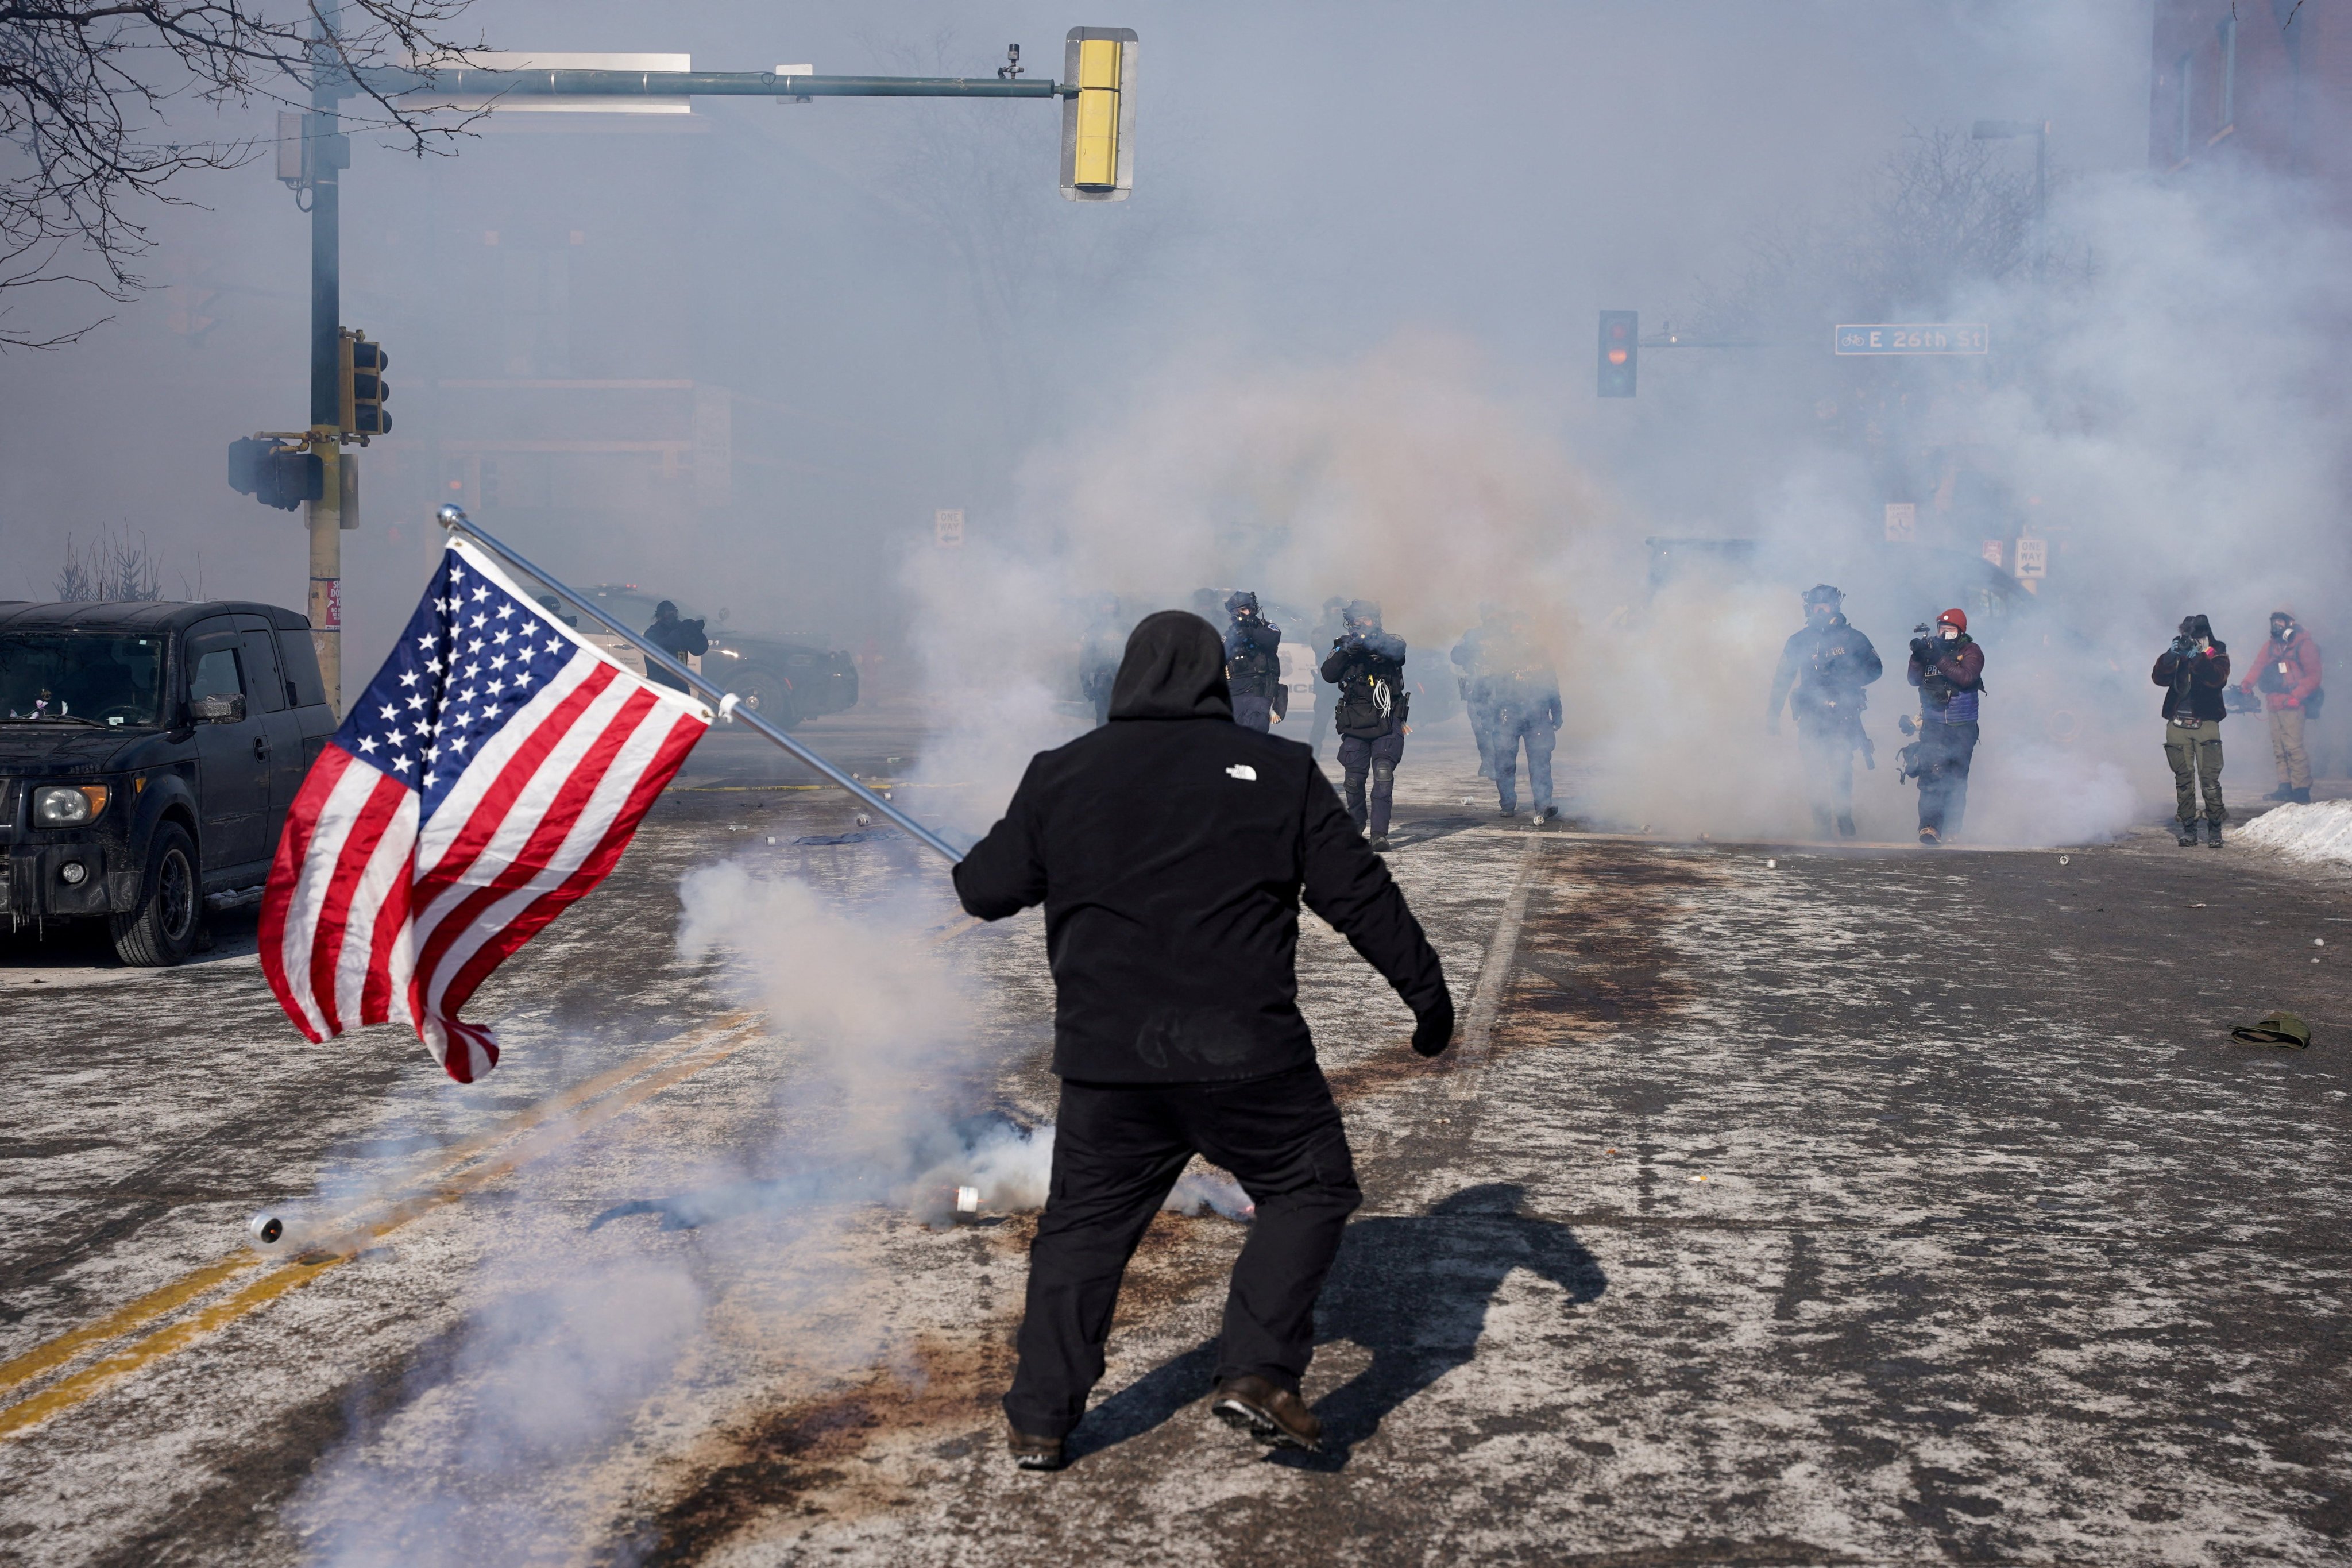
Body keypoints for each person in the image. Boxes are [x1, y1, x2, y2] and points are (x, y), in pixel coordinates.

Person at [952, 611, 1454, 1472]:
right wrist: (1425, 993)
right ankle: (1257, 1369)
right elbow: (1359, 895)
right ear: (1217, 680)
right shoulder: (1280, 770)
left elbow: (981, 889)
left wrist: (1027, 852)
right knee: (1309, 1185)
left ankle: (1040, 1418)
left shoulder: (1062, 773)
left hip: (1110, 1062)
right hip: (1244, 1055)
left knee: (1081, 1233)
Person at [1766, 585, 1884, 839]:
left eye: (1826, 606)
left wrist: (1849, 678)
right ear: (1809, 608)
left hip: (1843, 714)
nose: (1821, 611)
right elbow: (1782, 678)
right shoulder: (1799, 641)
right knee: (1814, 769)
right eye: (1816, 607)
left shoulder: (1854, 638)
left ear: (1836, 607)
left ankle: (1844, 816)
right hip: (1811, 716)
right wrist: (1772, 713)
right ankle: (1821, 824)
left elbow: (1876, 668)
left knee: (1842, 765)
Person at [1320, 600, 1411, 852]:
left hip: (1386, 716)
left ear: (1376, 620)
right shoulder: (1344, 645)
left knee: (1383, 773)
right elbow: (1328, 674)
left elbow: (1398, 652)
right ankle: (1356, 825)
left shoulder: (1391, 641)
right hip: (1355, 719)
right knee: (1353, 779)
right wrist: (1349, 649)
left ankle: (1379, 834)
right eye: (1356, 619)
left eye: (1366, 619)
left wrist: (1372, 642)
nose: (1361, 623)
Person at [1905, 608, 1983, 845]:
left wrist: (1937, 657)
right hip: (1934, 725)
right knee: (1930, 776)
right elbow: (1913, 680)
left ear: (1960, 631)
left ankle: (1952, 828)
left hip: (1962, 727)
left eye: (1950, 630)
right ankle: (1929, 827)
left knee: (1956, 779)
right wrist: (1918, 657)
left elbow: (1966, 678)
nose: (1945, 633)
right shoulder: (1930, 651)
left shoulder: (1971, 651)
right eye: (1942, 629)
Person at [2152, 614, 2231, 847]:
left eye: (2198, 637)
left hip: (2206, 723)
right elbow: (2159, 679)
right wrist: (2169, 657)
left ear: (2207, 636)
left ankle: (2215, 831)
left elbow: (2217, 679)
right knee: (2184, 780)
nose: (2194, 642)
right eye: (2191, 637)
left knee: (2209, 780)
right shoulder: (2180, 652)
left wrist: (2197, 658)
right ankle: (2189, 829)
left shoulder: (2217, 653)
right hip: (2177, 724)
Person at [2239, 608, 2322, 805]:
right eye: (2274, 622)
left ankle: (2301, 788)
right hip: (2275, 703)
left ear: (2290, 623)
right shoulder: (2271, 646)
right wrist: (2246, 685)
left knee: (2294, 746)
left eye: (2280, 622)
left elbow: (2314, 676)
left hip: (2293, 703)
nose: (2276, 626)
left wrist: (2297, 696)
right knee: (2279, 747)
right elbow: (2258, 667)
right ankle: (2285, 786)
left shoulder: (2303, 644)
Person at [1485, 612, 1562, 821]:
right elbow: (1487, 686)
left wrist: (1557, 711)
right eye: (1516, 626)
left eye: (1523, 625)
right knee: (1505, 762)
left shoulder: (1540, 652)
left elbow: (1551, 684)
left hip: (1537, 716)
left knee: (1541, 762)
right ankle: (1508, 804)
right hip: (1507, 716)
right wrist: (1488, 716)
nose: (1520, 630)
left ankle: (1544, 804)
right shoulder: (1499, 653)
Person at [1451, 604, 1506, 781]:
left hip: (1502, 688)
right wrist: (1472, 654)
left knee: (1502, 726)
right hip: (1477, 687)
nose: (1492, 619)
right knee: (1480, 727)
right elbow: (1455, 655)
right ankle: (1488, 762)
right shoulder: (1472, 635)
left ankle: (1501, 763)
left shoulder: (1508, 636)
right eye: (1489, 615)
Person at [1222, 590, 1287, 733]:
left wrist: (1249, 632)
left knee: (1256, 729)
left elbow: (1272, 640)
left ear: (1253, 609)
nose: (1241, 614)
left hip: (1260, 690)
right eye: (1236, 612)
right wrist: (1234, 638)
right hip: (1237, 692)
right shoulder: (1230, 634)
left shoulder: (1267, 628)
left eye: (1244, 609)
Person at [1305, 597, 1349, 758]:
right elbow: (1322, 648)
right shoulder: (1321, 632)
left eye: (1339, 609)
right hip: (1327, 682)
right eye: (1334, 609)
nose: (1337, 612)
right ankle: (1314, 753)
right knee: (1320, 722)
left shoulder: (1350, 631)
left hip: (1346, 682)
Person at [1077, 594, 1125, 728]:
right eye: (1106, 604)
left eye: (1112, 604)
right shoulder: (1093, 631)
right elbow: (1085, 660)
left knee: (1124, 719)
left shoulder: (1126, 629)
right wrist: (1087, 686)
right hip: (1102, 681)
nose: (1109, 608)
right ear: (1100, 608)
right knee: (1104, 720)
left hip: (1124, 680)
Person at [643, 600, 707, 693]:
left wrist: (695, 632)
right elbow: (661, 646)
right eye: (668, 612)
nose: (672, 615)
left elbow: (698, 650)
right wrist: (678, 634)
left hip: (679, 685)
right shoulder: (652, 633)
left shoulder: (681, 630)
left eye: (675, 612)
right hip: (659, 686)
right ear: (660, 616)